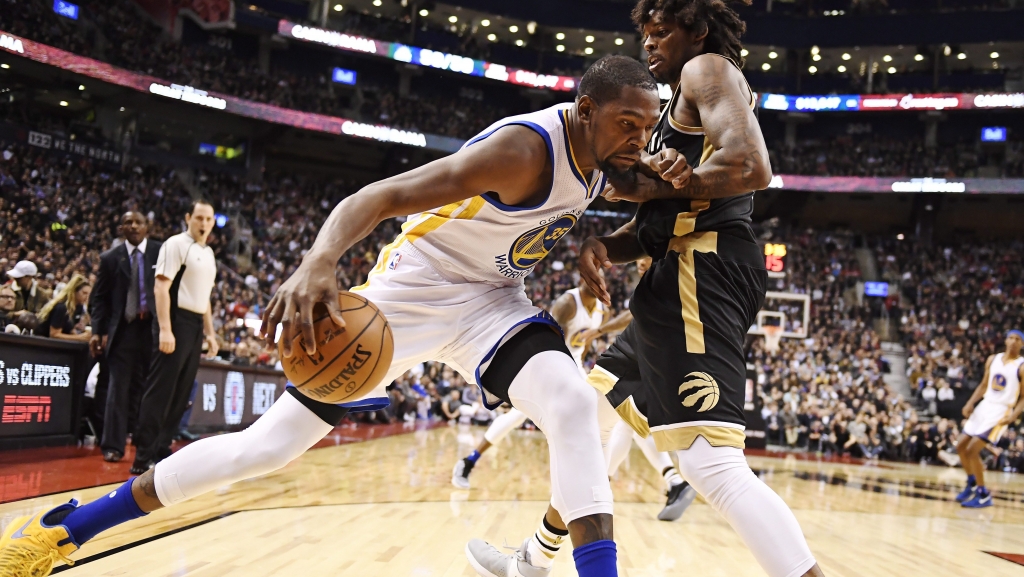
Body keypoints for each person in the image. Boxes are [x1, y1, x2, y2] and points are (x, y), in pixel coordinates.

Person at [0, 55, 661, 577]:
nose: (639, 137)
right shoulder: (523, 151)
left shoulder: (607, 157)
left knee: (572, 403)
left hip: (492, 303)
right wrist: (319, 260)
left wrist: (636, 214)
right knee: (268, 448)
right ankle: (67, 528)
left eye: (647, 125)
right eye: (627, 123)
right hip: (411, 292)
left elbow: (634, 189)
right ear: (585, 110)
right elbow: (382, 194)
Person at [471, 2, 822, 576]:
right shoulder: (680, 100)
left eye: (661, 33)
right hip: (675, 274)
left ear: (697, 31)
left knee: (710, 464)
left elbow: (753, 167)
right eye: (645, 34)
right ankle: (535, 559)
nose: (650, 45)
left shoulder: (705, 69)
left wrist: (647, 191)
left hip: (700, 274)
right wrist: (607, 245)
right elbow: (666, 218)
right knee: (591, 413)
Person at [451, 276, 608, 489]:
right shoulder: (568, 303)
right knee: (518, 416)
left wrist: (581, 362)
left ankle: (592, 479)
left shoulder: (601, 309)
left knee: (595, 415)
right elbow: (551, 338)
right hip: (554, 362)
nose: (597, 279)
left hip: (576, 366)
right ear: (583, 276)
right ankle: (469, 460)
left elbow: (586, 342)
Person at [129, 200, 220, 475]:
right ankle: (142, 455)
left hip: (194, 326)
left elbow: (205, 299)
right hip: (175, 319)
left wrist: (211, 334)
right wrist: (165, 329)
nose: (204, 223)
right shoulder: (176, 244)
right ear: (188, 218)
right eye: (199, 218)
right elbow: (160, 287)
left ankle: (161, 448)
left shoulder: (209, 253)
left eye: (208, 219)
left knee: (180, 394)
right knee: (161, 391)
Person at [90, 211, 163, 462]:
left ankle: (145, 445)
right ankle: (113, 446)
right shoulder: (110, 258)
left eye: (138, 222)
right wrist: (97, 331)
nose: (133, 226)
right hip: (123, 330)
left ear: (147, 227)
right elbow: (99, 298)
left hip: (153, 329)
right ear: (121, 227)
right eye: (128, 222)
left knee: (148, 389)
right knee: (117, 389)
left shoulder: (160, 251)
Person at [956, 330, 1024, 508]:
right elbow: (984, 385)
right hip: (985, 404)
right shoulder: (992, 359)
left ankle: (984, 494)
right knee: (960, 445)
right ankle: (971, 483)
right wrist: (970, 403)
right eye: (1011, 338)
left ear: (1022, 345)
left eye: (1018, 339)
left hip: (1001, 410)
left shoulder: (1021, 366)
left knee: (972, 450)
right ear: (1005, 340)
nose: (1013, 342)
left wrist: (1014, 415)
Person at [33, 275, 92, 342]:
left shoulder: (78, 308)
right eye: (84, 293)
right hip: (42, 343)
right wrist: (80, 337)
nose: (87, 297)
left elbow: (70, 330)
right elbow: (54, 335)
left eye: (89, 294)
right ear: (74, 292)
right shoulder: (61, 308)